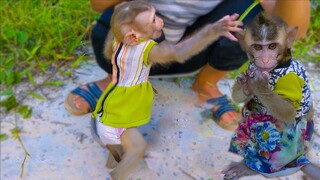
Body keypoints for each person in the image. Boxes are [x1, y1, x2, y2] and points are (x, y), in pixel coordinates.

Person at [64, 0, 311, 131]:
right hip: (136, 42)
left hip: (191, 48)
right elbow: (99, 3)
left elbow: (289, 29)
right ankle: (115, 77)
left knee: (256, 20)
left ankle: (206, 84)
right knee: (122, 13)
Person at [89, 1, 243, 179]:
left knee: (120, 143)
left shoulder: (114, 45)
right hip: (121, 110)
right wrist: (213, 30)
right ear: (133, 36)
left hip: (113, 100)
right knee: (138, 148)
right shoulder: (145, 50)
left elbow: (120, 18)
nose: (160, 22)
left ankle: (113, 158)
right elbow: (179, 52)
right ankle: (117, 175)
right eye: (153, 20)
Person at [222, 12, 319, 179]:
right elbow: (238, 98)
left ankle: (264, 166)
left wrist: (262, 90)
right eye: (258, 47)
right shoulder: (256, 63)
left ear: (288, 40)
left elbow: (288, 115)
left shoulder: (289, 75)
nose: (265, 59)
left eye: (272, 46)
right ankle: (289, 161)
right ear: (244, 43)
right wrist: (246, 89)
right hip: (264, 116)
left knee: (272, 151)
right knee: (256, 136)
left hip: (288, 127)